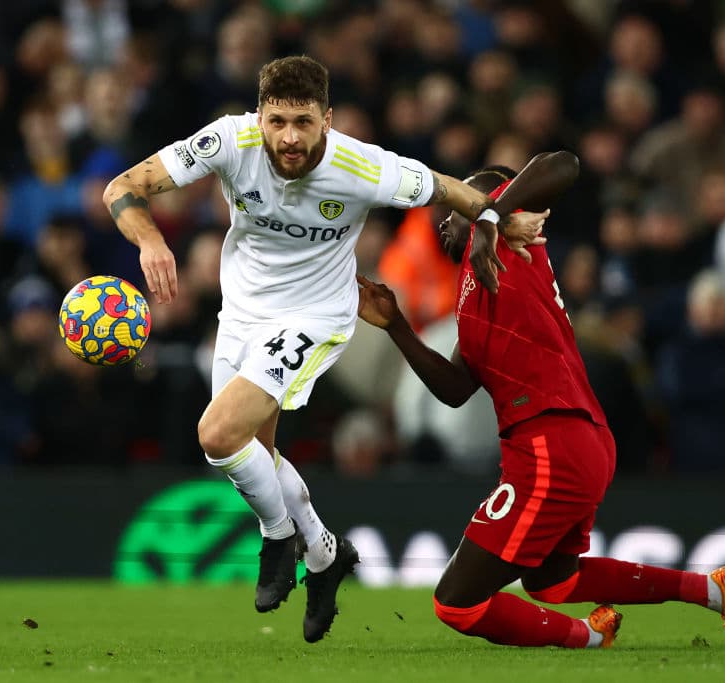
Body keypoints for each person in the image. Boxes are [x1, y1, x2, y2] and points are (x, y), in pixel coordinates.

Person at [101, 55, 545, 643]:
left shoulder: (362, 167)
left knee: (216, 435)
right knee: (249, 455)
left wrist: (499, 220)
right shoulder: (229, 142)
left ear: (327, 121)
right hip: (241, 313)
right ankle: (324, 554)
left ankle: (280, 536)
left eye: (304, 122)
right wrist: (151, 240)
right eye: (278, 121)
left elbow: (446, 189)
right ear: (260, 116)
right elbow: (122, 187)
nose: (289, 137)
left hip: (316, 315)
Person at [356, 151, 725, 649]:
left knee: (456, 601)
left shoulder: (507, 239)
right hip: (571, 439)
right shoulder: (479, 290)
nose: (444, 215)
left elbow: (563, 165)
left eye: (456, 202)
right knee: (554, 581)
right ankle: (713, 590)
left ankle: (589, 639)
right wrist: (397, 326)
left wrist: (490, 214)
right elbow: (454, 389)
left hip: (549, 442)